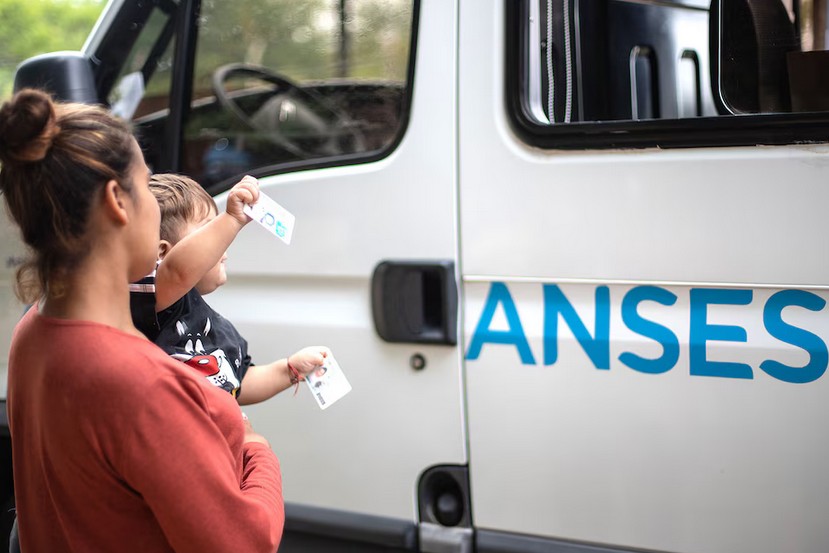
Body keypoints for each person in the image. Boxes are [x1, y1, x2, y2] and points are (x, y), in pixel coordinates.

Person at [0, 88, 283, 552]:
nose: (155, 204)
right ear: (118, 202)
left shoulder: (32, 333)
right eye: (146, 185)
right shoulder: (144, 387)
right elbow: (246, 543)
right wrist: (256, 449)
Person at [130, 172, 329, 403]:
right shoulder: (157, 305)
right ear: (162, 253)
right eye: (209, 228)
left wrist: (289, 370)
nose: (222, 239)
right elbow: (178, 272)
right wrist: (231, 219)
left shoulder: (216, 326)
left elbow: (239, 382)